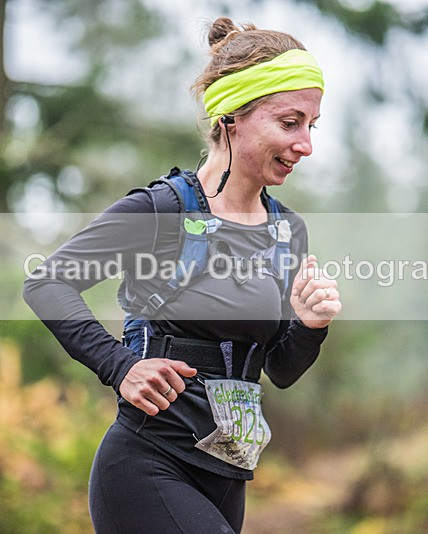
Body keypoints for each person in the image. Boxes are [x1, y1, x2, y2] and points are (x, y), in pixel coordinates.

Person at [23, 16, 341, 533]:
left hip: (226, 477)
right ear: (232, 117)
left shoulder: (286, 231)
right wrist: (120, 367)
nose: (306, 144)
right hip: (147, 466)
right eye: (290, 123)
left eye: (312, 125)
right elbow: (47, 282)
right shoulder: (163, 210)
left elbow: (280, 370)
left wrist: (310, 324)